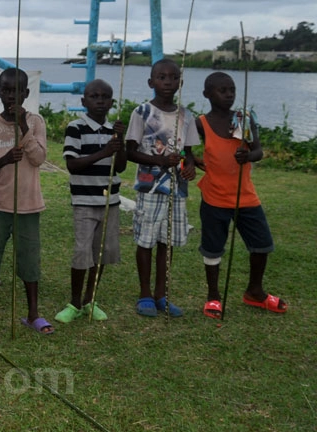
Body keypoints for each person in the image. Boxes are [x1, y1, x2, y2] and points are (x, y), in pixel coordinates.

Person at [196, 72, 285, 317]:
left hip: (245, 196)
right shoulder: (200, 122)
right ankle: (213, 296)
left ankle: (254, 292)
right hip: (214, 197)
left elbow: (257, 150)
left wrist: (248, 155)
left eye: (232, 90)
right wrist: (192, 160)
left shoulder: (242, 118)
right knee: (213, 249)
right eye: (222, 90)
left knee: (262, 244)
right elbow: (183, 146)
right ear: (207, 94)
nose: (229, 95)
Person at [0, 67, 51, 336]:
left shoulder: (36, 122)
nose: (11, 96)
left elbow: (39, 158)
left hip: (29, 205)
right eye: (5, 90)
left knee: (30, 259)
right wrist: (3, 161)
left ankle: (33, 314)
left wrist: (24, 129)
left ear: (26, 93)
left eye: (17, 91)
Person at [125, 58, 198, 318]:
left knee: (167, 241)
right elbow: (130, 151)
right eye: (162, 77)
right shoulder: (142, 112)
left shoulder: (186, 115)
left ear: (180, 82)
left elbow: (188, 152)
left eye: (173, 77)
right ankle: (145, 293)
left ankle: (161, 294)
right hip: (150, 187)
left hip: (176, 189)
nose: (168, 82)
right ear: (151, 82)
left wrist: (189, 165)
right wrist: (157, 160)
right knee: (146, 241)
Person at [56, 79, 127, 323]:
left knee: (101, 252)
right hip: (84, 200)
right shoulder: (76, 127)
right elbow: (72, 164)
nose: (99, 101)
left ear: (111, 102)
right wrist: (104, 152)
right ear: (83, 101)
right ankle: (74, 302)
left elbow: (120, 166)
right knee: (81, 252)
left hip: (110, 202)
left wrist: (120, 141)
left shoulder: (113, 130)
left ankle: (90, 299)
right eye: (94, 96)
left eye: (105, 97)